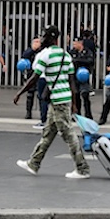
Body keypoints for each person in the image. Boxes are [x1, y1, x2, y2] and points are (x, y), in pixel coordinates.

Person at [13, 26, 90, 179]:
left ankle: (82, 169)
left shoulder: (45, 55)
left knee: (69, 134)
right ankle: (34, 163)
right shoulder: (66, 55)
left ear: (50, 38)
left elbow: (34, 78)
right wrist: (74, 103)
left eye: (44, 37)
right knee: (48, 133)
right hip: (64, 98)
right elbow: (72, 82)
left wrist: (20, 92)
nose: (41, 39)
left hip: (57, 100)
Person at [70, 37, 95, 119]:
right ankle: (77, 114)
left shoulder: (87, 52)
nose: (74, 45)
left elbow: (90, 61)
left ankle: (88, 114)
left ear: (80, 43)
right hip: (74, 76)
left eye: (75, 44)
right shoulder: (72, 52)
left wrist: (77, 61)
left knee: (85, 95)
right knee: (76, 96)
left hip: (83, 77)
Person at [20, 37, 42, 120]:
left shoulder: (43, 51)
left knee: (41, 95)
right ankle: (28, 112)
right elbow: (24, 56)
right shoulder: (29, 51)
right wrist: (33, 49)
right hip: (31, 75)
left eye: (38, 42)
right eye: (35, 42)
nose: (37, 43)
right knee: (30, 94)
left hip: (40, 75)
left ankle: (42, 113)